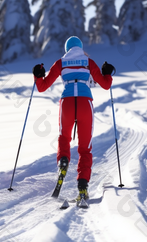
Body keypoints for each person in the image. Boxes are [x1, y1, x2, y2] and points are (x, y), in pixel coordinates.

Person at [33, 36, 115, 201]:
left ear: (67, 49)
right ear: (80, 47)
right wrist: (107, 73)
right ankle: (82, 186)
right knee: (85, 148)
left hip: (67, 103)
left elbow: (42, 87)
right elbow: (106, 85)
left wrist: (38, 75)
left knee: (64, 137)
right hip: (85, 103)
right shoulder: (88, 62)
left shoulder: (60, 63)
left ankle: (63, 160)